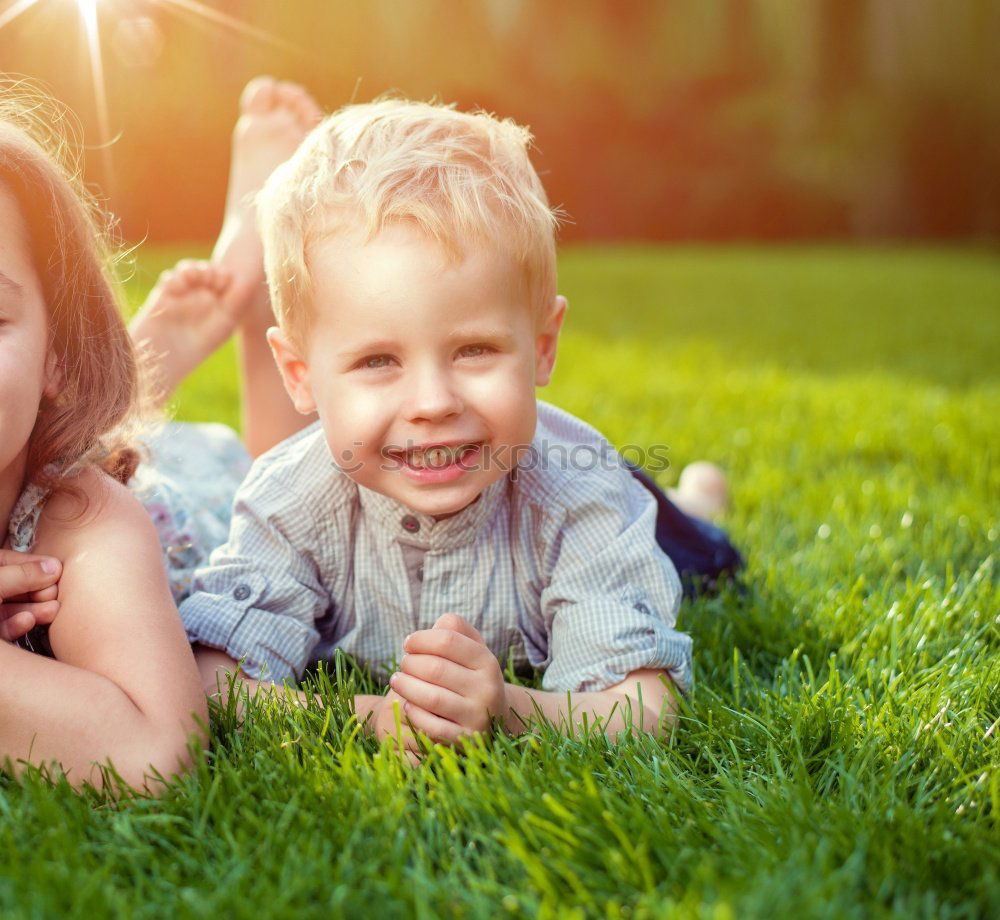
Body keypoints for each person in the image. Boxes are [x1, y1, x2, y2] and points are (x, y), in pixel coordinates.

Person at [178, 97, 741, 761]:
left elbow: (647, 709)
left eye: (473, 350)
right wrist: (371, 720)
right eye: (377, 361)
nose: (432, 403)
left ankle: (699, 496)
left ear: (543, 345)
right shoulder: (289, 501)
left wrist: (509, 709)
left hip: (618, 499)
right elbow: (215, 683)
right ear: (299, 376)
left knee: (700, 551)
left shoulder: (584, 501)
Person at [0, 85, 207, 790]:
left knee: (299, 477)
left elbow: (154, 756)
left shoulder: (76, 516)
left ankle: (249, 263)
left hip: (196, 504)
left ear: (58, 351)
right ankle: (161, 348)